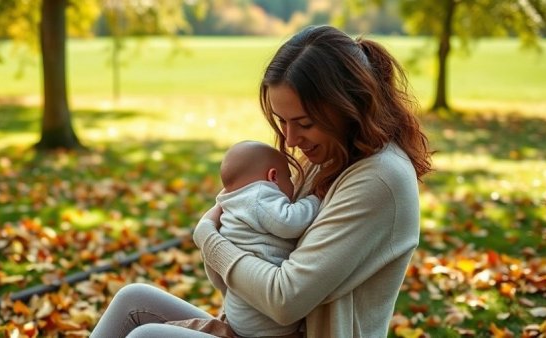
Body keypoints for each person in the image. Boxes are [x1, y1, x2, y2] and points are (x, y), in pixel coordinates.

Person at [90, 24, 432, 338]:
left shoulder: (379, 178)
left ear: (349, 106)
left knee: (147, 337)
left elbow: (284, 301)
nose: (291, 139)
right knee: (133, 301)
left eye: (304, 122)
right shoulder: (329, 157)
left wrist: (210, 240)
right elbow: (248, 276)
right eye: (282, 121)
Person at [207, 140, 320, 337]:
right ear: (273, 176)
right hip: (264, 322)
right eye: (289, 177)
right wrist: (315, 199)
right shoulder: (260, 197)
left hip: (239, 310)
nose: (292, 186)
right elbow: (289, 223)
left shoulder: (232, 203)